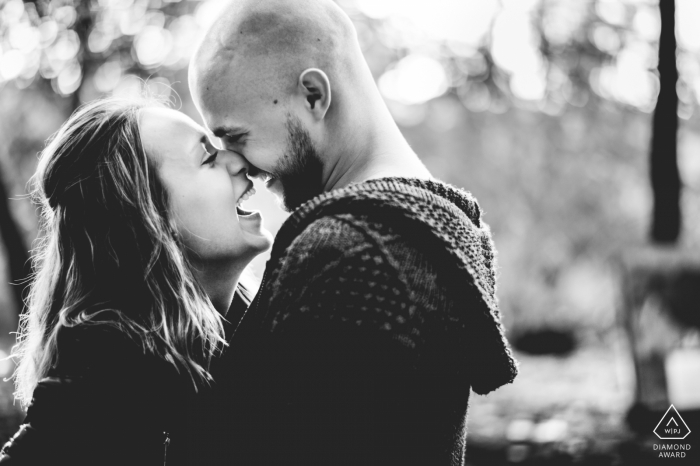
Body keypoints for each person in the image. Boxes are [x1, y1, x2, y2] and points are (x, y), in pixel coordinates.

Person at [189, 0, 519, 464]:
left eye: (236, 137)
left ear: (313, 96)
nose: (238, 164)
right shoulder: (433, 225)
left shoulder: (345, 252)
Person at [0, 98, 272, 465]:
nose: (239, 161)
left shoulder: (265, 326)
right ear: (147, 220)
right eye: (207, 159)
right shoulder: (99, 389)